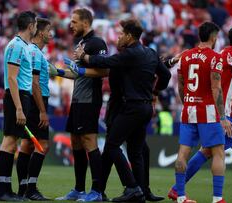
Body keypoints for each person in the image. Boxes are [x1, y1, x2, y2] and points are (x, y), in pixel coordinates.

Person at [168, 25, 232, 203]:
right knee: (211, 151)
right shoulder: (230, 53)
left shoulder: (226, 54)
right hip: (218, 110)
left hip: (223, 110)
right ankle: (180, 190)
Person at [73, 18, 171, 202]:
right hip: (145, 107)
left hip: (130, 107)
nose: (118, 37)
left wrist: (84, 57)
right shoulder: (150, 53)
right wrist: (155, 91)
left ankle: (131, 187)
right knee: (136, 151)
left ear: (128, 36)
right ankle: (139, 193)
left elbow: (105, 62)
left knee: (111, 145)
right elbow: (165, 74)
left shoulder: (129, 54)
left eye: (120, 34)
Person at [64, 52, 183, 202]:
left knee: (133, 150)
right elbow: (109, 65)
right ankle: (122, 189)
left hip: (127, 111)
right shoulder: (122, 60)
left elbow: (151, 69)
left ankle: (138, 190)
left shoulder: (130, 59)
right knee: (113, 150)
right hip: (118, 111)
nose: (120, 37)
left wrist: (170, 62)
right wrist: (84, 59)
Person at [172, 22, 232, 203]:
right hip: (208, 112)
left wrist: (187, 103)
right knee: (218, 153)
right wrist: (223, 117)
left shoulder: (185, 56)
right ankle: (217, 198)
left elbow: (181, 86)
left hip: (188, 110)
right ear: (214, 37)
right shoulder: (215, 58)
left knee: (182, 153)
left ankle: (181, 197)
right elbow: (216, 88)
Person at [56, 8, 107, 202]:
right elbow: (77, 73)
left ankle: (96, 191)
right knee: (75, 142)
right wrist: (58, 72)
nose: (71, 25)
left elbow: (104, 71)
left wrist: (80, 69)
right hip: (77, 99)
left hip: (89, 100)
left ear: (85, 23)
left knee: (89, 142)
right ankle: (78, 189)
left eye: (74, 22)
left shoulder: (97, 43)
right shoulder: (81, 43)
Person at [0, 11, 37, 202]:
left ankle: (6, 189)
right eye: (35, 24)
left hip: (21, 96)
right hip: (16, 97)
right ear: (31, 26)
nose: (36, 27)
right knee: (9, 142)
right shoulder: (17, 46)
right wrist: (19, 107)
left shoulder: (23, 46)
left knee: (12, 144)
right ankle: (2, 192)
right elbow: (11, 77)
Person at [16, 17, 53, 201]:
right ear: (41, 32)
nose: (51, 34)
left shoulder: (29, 50)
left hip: (29, 101)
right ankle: (31, 188)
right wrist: (43, 111)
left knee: (26, 145)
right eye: (49, 31)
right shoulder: (36, 53)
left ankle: (23, 188)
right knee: (43, 145)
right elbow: (35, 83)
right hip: (37, 101)